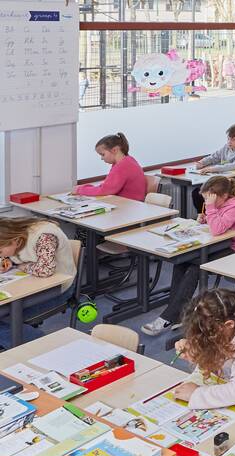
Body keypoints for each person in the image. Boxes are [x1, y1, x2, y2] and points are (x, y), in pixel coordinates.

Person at [141, 176, 235, 336]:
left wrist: (211, 209)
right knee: (181, 262)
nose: (206, 202)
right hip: (217, 246)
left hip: (234, 250)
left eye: (209, 199)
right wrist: (205, 218)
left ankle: (168, 316)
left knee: (195, 268)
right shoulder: (221, 203)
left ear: (223, 196)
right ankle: (177, 313)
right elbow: (216, 224)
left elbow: (217, 229)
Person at [0, 218, 76, 346]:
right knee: (4, 320)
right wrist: (9, 262)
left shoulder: (44, 236)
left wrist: (19, 266)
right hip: (32, 286)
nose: (1, 256)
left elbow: (45, 269)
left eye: (0, 252)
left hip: (58, 290)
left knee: (4, 320)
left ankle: (41, 348)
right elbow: (23, 257)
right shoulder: (14, 236)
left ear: (15, 240)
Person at [191, 123, 235, 214]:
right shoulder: (226, 147)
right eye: (228, 139)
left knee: (213, 195)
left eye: (233, 139)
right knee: (197, 192)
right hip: (225, 181)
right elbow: (214, 157)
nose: (230, 142)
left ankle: (212, 217)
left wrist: (213, 169)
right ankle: (203, 216)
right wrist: (202, 162)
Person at [74, 132, 147, 201]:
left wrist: (80, 190)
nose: (102, 158)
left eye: (103, 154)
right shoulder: (128, 160)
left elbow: (105, 190)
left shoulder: (122, 167)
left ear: (114, 150)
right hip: (129, 203)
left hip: (131, 204)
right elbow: (108, 185)